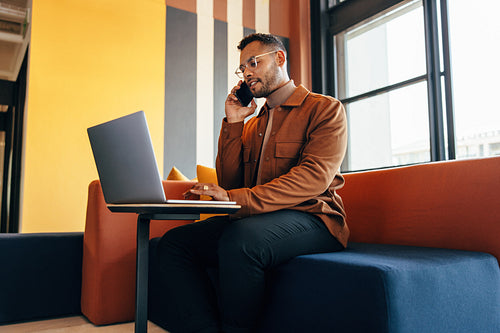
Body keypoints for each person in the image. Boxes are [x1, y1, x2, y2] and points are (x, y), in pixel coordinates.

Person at [157, 33, 349, 333]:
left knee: (241, 240)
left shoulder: (325, 109)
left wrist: (239, 200)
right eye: (242, 68)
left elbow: (313, 177)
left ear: (280, 59)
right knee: (174, 244)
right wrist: (234, 123)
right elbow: (232, 182)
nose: (247, 72)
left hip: (314, 218)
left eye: (254, 62)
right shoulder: (253, 124)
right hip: (261, 219)